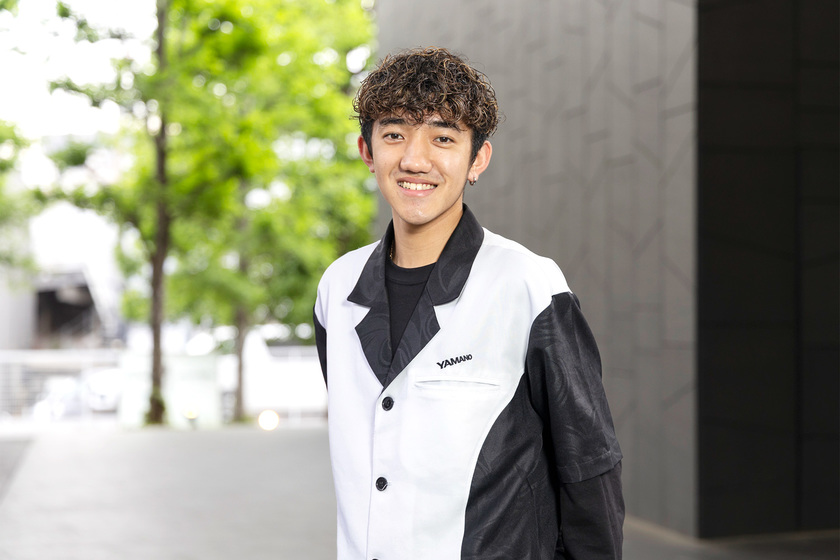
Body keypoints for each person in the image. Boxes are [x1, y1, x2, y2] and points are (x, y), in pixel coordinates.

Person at [313, 47, 624, 560]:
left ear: (477, 159)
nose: (414, 160)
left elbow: (588, 467)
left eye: (443, 138)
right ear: (367, 151)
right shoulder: (336, 288)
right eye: (394, 134)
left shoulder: (528, 284)